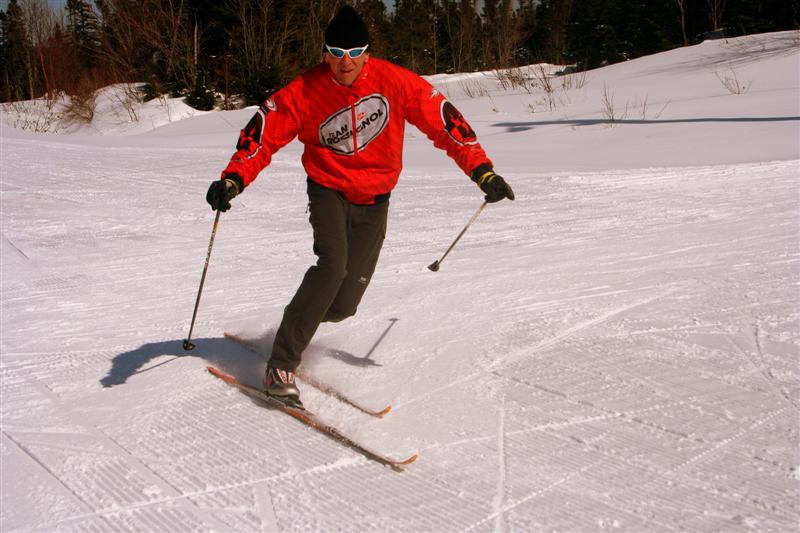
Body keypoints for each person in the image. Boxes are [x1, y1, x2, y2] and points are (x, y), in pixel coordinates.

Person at [207, 5, 514, 407]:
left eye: (354, 52)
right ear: (324, 53)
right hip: (328, 189)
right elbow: (261, 136)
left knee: (343, 305)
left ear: (367, 53)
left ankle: (299, 317)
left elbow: (446, 124)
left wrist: (482, 172)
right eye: (336, 51)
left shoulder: (396, 83)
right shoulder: (303, 91)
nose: (345, 62)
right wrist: (234, 178)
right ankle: (281, 366)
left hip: (376, 198)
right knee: (331, 266)